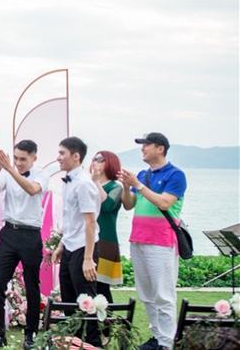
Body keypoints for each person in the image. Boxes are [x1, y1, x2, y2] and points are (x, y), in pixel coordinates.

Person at [119, 133, 187, 350]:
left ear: (160, 148)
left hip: (161, 242)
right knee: (147, 295)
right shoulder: (143, 175)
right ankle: (157, 337)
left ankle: (166, 342)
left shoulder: (175, 175)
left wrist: (138, 185)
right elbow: (129, 204)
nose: (143, 148)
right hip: (138, 240)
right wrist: (126, 186)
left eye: (146, 145)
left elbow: (165, 203)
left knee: (163, 295)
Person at [0, 140, 50, 350]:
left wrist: (11, 169)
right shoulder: (7, 172)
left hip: (30, 235)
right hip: (9, 233)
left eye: (23, 159)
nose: (18, 163)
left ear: (34, 158)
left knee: (32, 286)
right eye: (15, 158)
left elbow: (32, 189)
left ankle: (30, 334)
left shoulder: (41, 174)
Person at [51, 136, 101, 348]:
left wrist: (88, 258)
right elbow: (72, 220)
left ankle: (94, 343)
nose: (58, 157)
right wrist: (61, 246)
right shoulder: (68, 182)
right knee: (69, 300)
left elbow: (90, 222)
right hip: (70, 247)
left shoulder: (83, 183)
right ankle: (75, 342)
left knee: (86, 300)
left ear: (76, 156)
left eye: (62, 153)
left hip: (84, 248)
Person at [90, 150, 123, 303]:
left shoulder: (115, 187)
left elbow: (108, 206)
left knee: (101, 286)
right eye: (94, 159)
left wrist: (97, 182)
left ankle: (108, 317)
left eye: (100, 159)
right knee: (88, 284)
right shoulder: (88, 185)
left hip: (105, 240)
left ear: (109, 162)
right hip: (88, 238)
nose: (95, 162)